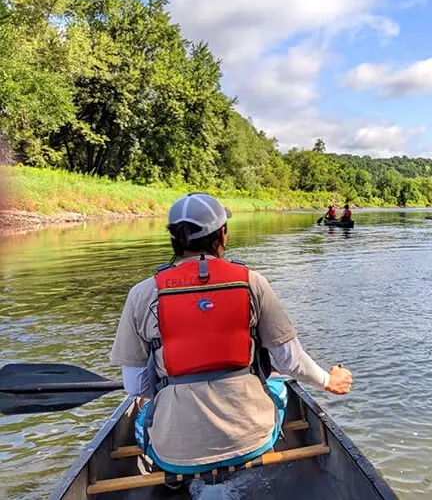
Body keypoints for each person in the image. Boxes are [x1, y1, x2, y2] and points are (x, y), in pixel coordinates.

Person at [110, 193, 353, 474]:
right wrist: (327, 380)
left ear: (173, 239)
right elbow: (291, 362)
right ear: (221, 235)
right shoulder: (253, 283)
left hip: (173, 454)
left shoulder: (141, 294)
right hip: (253, 441)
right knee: (277, 385)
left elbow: (136, 387)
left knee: (142, 418)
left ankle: (175, 475)